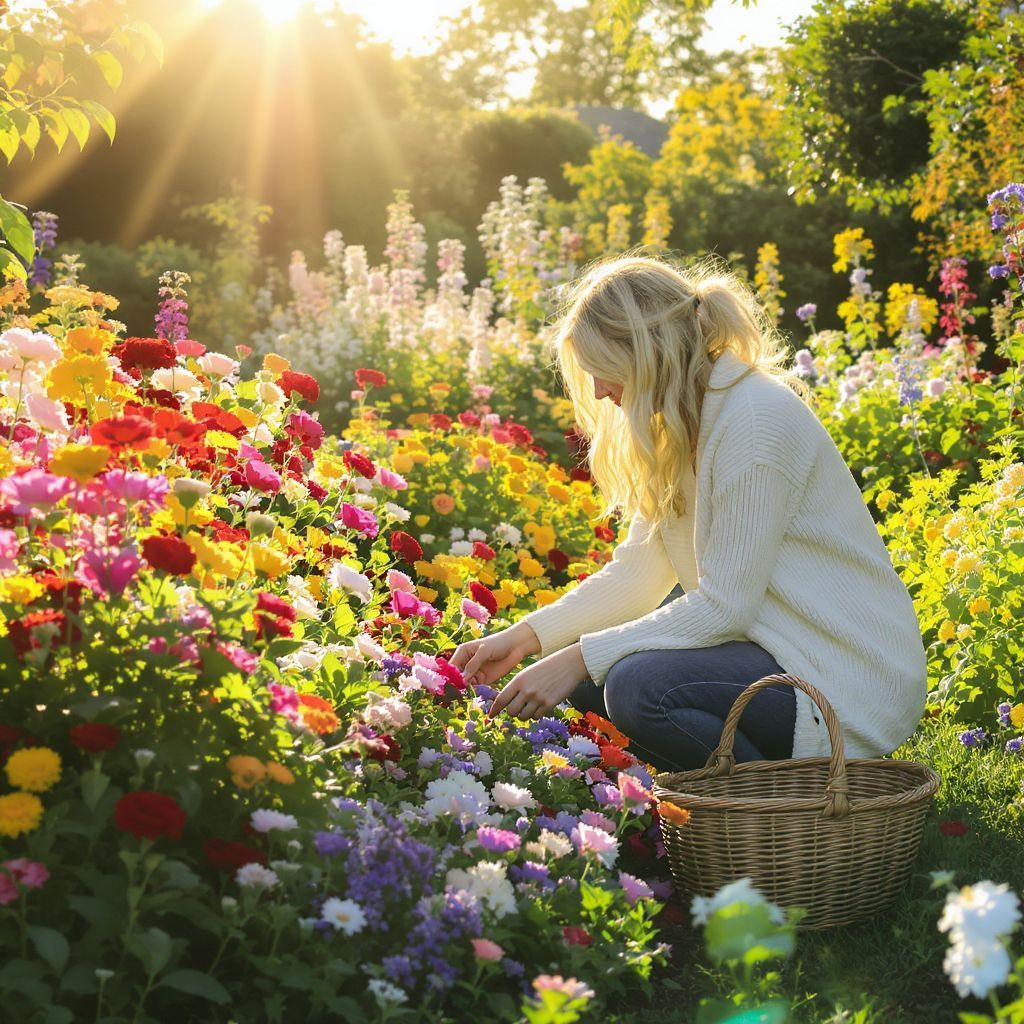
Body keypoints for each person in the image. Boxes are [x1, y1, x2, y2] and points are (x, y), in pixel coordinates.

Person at [449, 253, 927, 773]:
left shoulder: (752, 421)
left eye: (603, 370)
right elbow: (637, 577)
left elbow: (725, 606)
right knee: (590, 683)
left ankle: (778, 810)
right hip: (776, 654)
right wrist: (526, 639)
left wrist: (581, 655)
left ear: (647, 352)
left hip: (842, 673)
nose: (598, 392)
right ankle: (711, 808)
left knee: (634, 687)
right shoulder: (681, 425)